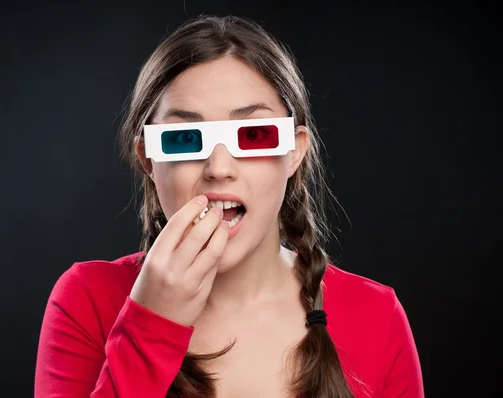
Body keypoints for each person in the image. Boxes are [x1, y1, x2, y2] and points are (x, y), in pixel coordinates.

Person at [34, 14, 424, 398]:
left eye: (253, 134)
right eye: (185, 138)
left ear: (294, 153)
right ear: (147, 159)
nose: (219, 169)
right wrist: (152, 323)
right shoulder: (86, 300)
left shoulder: (376, 316)